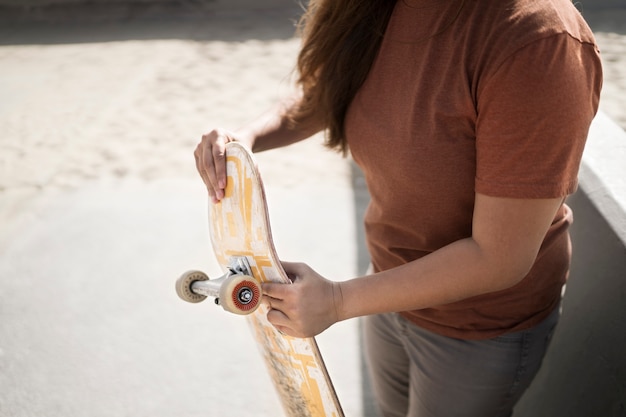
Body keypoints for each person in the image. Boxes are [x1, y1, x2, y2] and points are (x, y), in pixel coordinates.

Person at [194, 0, 602, 416]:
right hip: (387, 291)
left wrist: (337, 301)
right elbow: (326, 93)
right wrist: (244, 138)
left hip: (479, 328)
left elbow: (500, 257)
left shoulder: (538, 42)